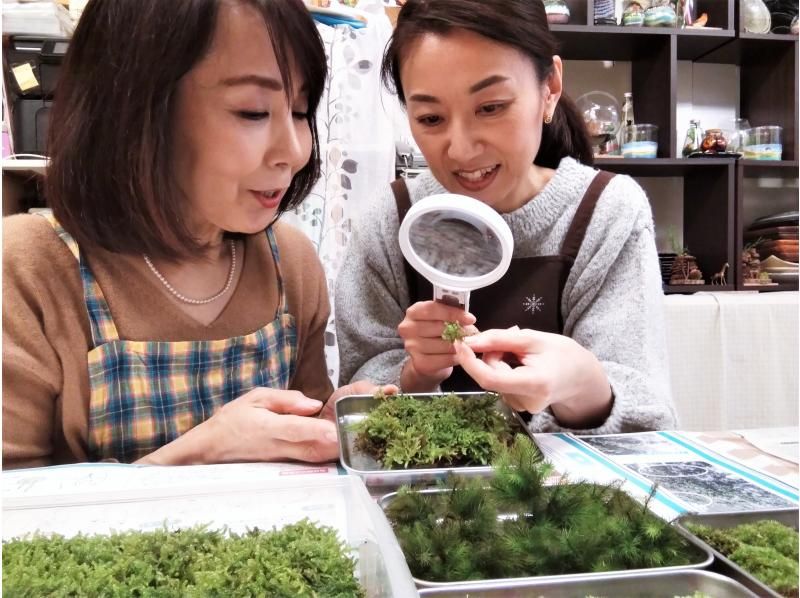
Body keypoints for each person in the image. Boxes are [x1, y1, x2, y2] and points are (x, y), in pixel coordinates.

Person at [2, 0, 379, 470]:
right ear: (133, 108)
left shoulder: (291, 263)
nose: (296, 150)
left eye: (301, 111)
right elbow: (13, 519)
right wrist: (203, 450)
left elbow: (300, 469)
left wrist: (325, 428)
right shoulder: (26, 268)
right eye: (253, 111)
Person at [335, 0, 677, 433]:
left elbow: (647, 423)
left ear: (549, 87)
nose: (460, 150)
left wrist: (581, 386)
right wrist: (414, 373)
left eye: (491, 107)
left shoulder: (606, 213)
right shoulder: (389, 221)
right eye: (431, 118)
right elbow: (355, 405)